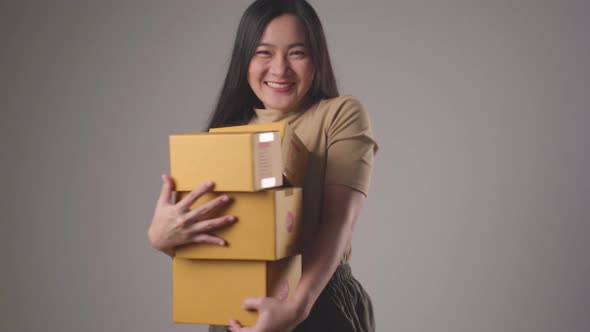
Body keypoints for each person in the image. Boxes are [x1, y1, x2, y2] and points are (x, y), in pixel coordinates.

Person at [148, 0, 378, 331]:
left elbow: (339, 223)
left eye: (297, 53)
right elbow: (220, 241)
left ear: (316, 58)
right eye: (264, 52)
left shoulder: (340, 114)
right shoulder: (227, 133)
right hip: (238, 305)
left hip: (315, 298)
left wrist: (296, 308)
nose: (280, 68)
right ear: (245, 59)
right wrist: (162, 237)